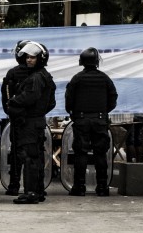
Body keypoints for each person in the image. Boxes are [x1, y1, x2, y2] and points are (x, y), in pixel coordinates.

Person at [6, 41, 56, 204]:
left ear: (40, 58)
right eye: (27, 57)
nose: (28, 60)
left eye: (33, 57)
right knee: (35, 157)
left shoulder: (36, 78)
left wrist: (14, 102)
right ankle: (37, 191)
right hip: (35, 122)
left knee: (29, 158)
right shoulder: (43, 75)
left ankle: (31, 193)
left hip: (29, 124)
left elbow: (28, 98)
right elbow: (50, 103)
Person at [64, 47, 118, 197]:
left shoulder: (77, 78)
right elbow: (113, 98)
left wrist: (74, 113)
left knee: (80, 153)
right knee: (100, 153)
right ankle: (102, 186)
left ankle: (79, 187)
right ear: (96, 61)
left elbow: (69, 99)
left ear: (81, 61)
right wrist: (103, 112)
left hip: (81, 120)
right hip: (100, 120)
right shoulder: (104, 78)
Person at [1, 40, 32, 196]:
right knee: (32, 153)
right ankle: (34, 186)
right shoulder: (37, 73)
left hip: (19, 119)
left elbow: (6, 97)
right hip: (28, 119)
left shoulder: (13, 73)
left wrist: (11, 111)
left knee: (17, 153)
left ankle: (15, 185)